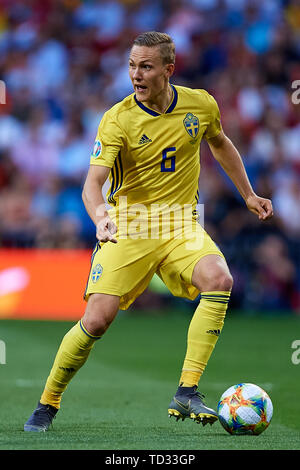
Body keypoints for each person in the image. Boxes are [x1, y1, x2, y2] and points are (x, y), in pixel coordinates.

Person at [24, 31, 273, 432]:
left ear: (168, 70)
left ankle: (187, 390)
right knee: (97, 321)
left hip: (181, 224)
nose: (135, 75)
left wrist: (248, 194)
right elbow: (92, 184)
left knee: (220, 278)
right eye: (131, 65)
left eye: (145, 66)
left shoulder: (201, 104)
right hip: (129, 226)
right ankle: (47, 402)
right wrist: (101, 218)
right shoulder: (118, 118)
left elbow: (222, 144)